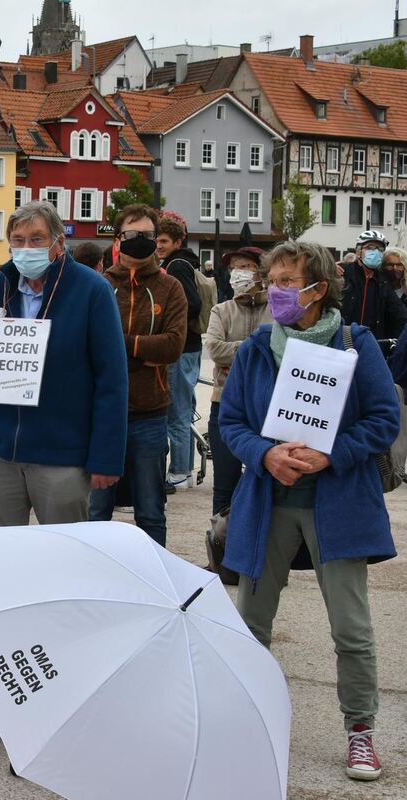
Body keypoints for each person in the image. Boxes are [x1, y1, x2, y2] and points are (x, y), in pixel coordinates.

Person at [221, 240, 396, 783]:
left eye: (289, 282)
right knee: (251, 624)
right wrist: (265, 453)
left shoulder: (355, 344)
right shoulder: (255, 349)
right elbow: (230, 423)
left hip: (337, 503)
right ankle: (245, 724)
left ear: (319, 288)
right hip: (269, 500)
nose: (276, 291)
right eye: (273, 281)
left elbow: (385, 420)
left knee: (351, 627)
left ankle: (361, 732)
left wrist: (332, 453)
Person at [0, 200, 128, 525]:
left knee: (63, 557)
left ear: (58, 243)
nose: (26, 248)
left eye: (36, 239)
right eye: (18, 240)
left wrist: (107, 457)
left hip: (62, 454)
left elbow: (112, 380)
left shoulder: (92, 291)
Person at [89, 204, 188, 546]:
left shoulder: (170, 287)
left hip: (150, 413)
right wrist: (144, 351)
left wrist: (121, 346)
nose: (142, 241)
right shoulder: (99, 286)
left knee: (150, 511)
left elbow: (173, 346)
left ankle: (154, 581)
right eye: (133, 235)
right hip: (101, 415)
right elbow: (88, 345)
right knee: (95, 510)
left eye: (148, 235)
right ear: (118, 239)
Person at [203, 247, 271, 515]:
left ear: (260, 272)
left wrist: (238, 356)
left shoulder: (277, 309)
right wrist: (260, 348)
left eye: (245, 266)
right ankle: (221, 548)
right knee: (224, 486)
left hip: (266, 406)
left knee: (266, 481)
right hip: (225, 403)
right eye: (233, 268)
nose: (237, 273)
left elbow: (286, 348)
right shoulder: (221, 310)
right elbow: (215, 349)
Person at [155, 217, 203, 492]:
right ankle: (182, 469)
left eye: (164, 241)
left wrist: (168, 319)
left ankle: (180, 472)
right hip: (189, 347)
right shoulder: (183, 263)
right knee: (181, 409)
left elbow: (192, 304)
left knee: (177, 413)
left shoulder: (176, 265)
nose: (159, 246)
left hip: (182, 348)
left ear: (176, 242)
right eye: (157, 241)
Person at [341, 230, 407, 343]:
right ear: (358, 252)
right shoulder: (343, 272)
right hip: (343, 340)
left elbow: (400, 314)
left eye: (380, 249)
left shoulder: (383, 281)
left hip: (372, 342)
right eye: (370, 247)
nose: (376, 252)